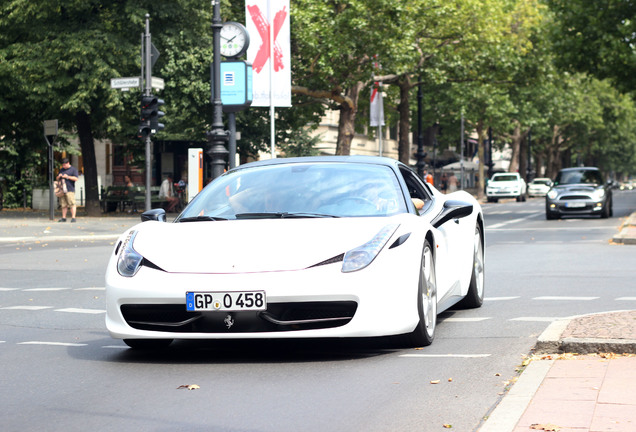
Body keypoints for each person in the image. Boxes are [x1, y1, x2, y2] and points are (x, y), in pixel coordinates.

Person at [56, 158, 79, 222]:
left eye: (64, 165)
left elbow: (76, 178)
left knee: (71, 203)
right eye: (63, 165)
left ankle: (73, 217)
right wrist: (59, 176)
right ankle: (64, 217)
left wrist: (67, 177)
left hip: (70, 189)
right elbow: (57, 178)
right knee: (63, 204)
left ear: (68, 163)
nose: (63, 166)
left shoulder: (73, 170)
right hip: (62, 189)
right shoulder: (62, 170)